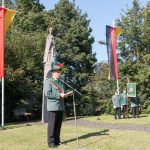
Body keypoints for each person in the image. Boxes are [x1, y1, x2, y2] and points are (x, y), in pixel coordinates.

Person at [44, 61, 67, 148]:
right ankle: (51, 142)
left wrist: (65, 94)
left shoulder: (61, 82)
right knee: (52, 125)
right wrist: (59, 95)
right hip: (53, 107)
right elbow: (48, 94)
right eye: (57, 72)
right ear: (53, 73)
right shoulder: (49, 81)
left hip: (60, 107)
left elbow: (62, 92)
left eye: (59, 72)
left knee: (58, 125)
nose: (59, 73)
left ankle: (57, 140)